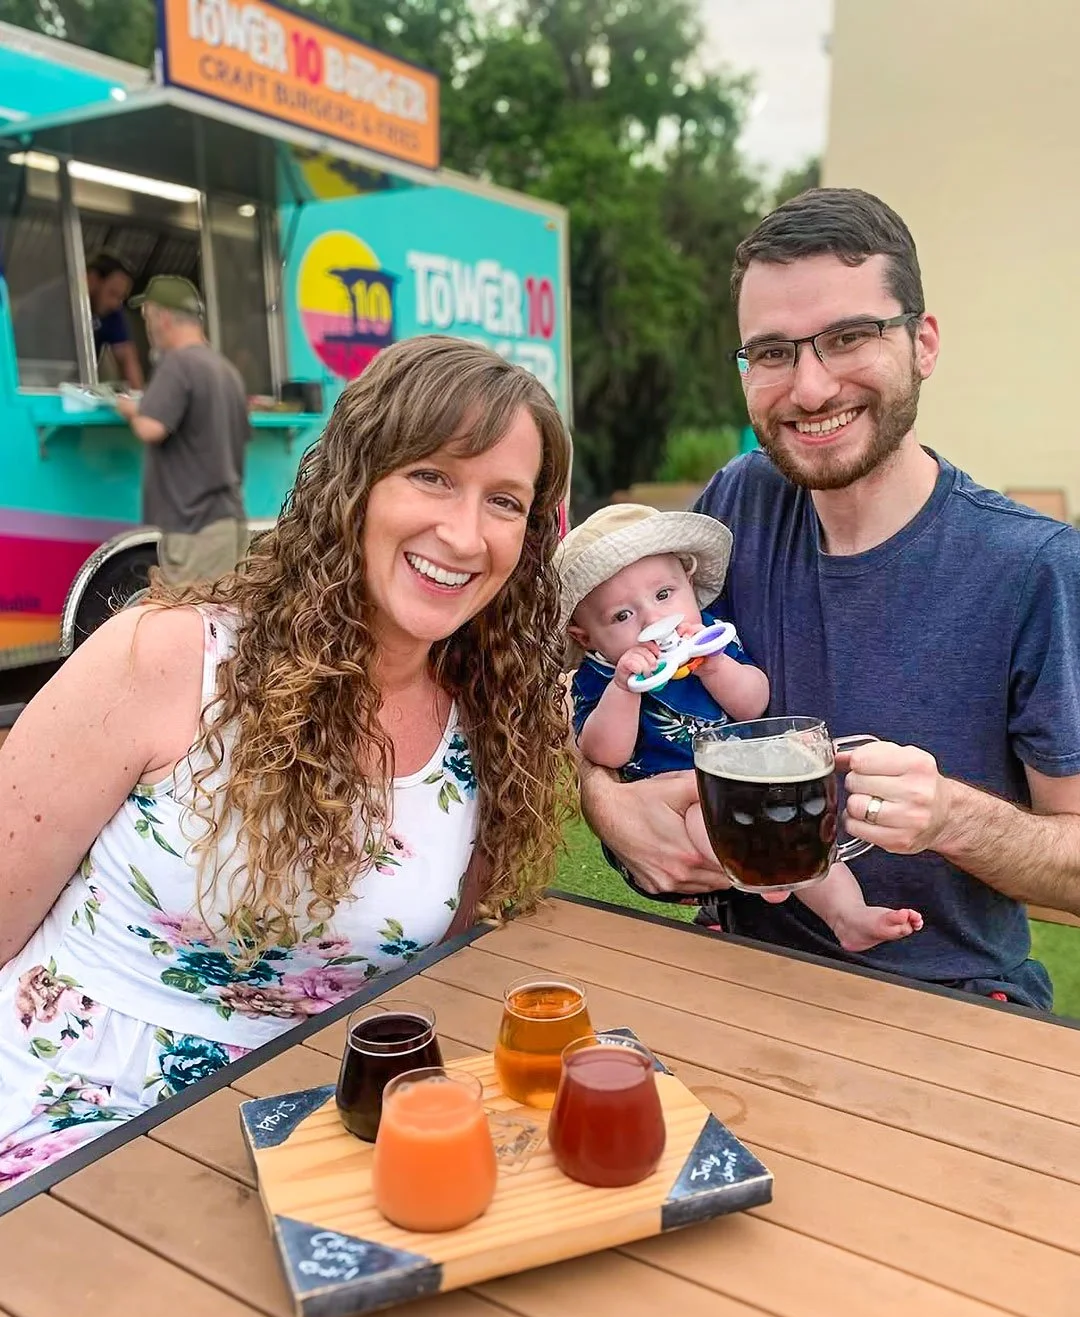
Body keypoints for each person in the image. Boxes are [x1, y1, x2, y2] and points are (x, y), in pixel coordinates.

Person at [0, 335, 573, 1189]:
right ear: (355, 483)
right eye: (431, 476)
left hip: (306, 1138)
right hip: (59, 1112)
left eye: (504, 501)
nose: (464, 534)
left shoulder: (490, 722)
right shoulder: (168, 660)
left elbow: (437, 978)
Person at [580, 187, 1080, 1010]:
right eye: (773, 352)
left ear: (923, 342)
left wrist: (952, 817)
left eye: (848, 337)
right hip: (738, 967)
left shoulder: (1033, 568)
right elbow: (592, 675)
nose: (810, 389)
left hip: (945, 1000)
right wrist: (607, 804)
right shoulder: (736, 505)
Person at [559, 502, 922, 952]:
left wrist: (715, 666)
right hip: (671, 803)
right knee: (708, 819)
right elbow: (605, 753)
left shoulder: (711, 637)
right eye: (621, 616)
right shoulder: (600, 676)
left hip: (738, 776)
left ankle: (848, 915)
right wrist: (625, 689)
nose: (654, 622)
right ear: (585, 637)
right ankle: (764, 868)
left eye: (664, 594)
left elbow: (753, 703)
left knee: (801, 824)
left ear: (689, 584)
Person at [116, 276, 251, 587]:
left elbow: (151, 428)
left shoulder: (177, 365)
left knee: (187, 614)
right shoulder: (225, 370)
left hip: (193, 532)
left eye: (147, 317)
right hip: (229, 524)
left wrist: (128, 409)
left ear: (162, 317)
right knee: (225, 613)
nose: (148, 327)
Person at [85, 252, 144, 390]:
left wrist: (139, 398)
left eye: (121, 298)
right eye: (112, 293)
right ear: (91, 280)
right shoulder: (57, 304)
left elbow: (126, 358)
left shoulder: (112, 313)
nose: (115, 304)